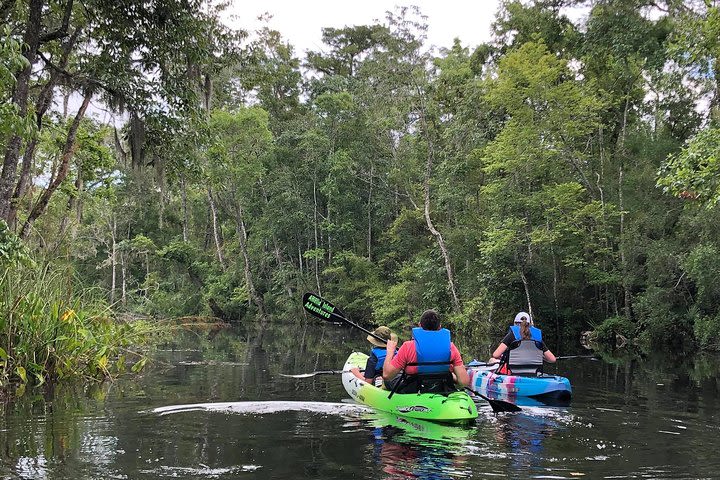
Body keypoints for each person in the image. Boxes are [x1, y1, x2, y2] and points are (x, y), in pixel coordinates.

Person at [382, 309, 470, 394]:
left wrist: (390, 352)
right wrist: (450, 375)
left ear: (420, 325)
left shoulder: (407, 346)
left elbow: (387, 375)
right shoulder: (451, 347)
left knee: (390, 379)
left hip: (413, 391)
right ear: (439, 327)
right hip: (441, 388)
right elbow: (464, 382)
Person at [488, 311, 556, 375]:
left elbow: (496, 355)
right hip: (533, 371)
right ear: (530, 324)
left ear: (515, 323)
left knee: (492, 360)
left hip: (513, 371)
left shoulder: (512, 335)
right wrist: (540, 355)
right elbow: (552, 359)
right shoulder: (537, 338)